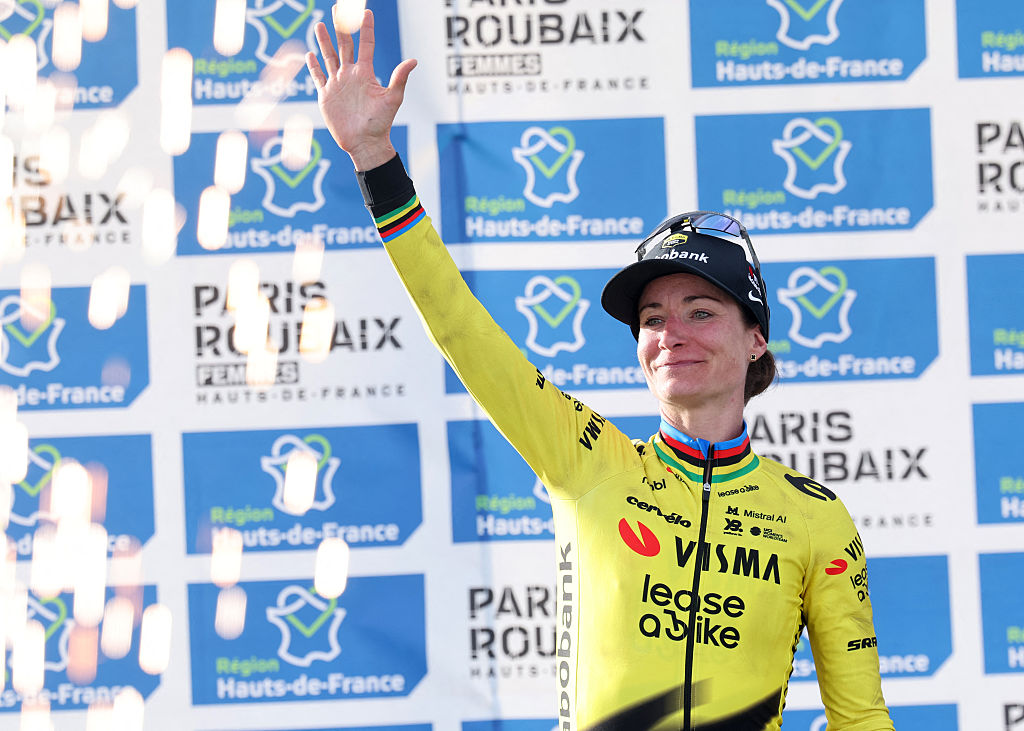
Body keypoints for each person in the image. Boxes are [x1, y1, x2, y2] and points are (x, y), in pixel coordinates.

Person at [306, 9, 893, 731]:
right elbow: (462, 327)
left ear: (756, 340)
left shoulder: (814, 516)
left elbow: (862, 717)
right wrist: (374, 160)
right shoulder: (587, 459)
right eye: (651, 319)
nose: (670, 333)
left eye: (700, 311)